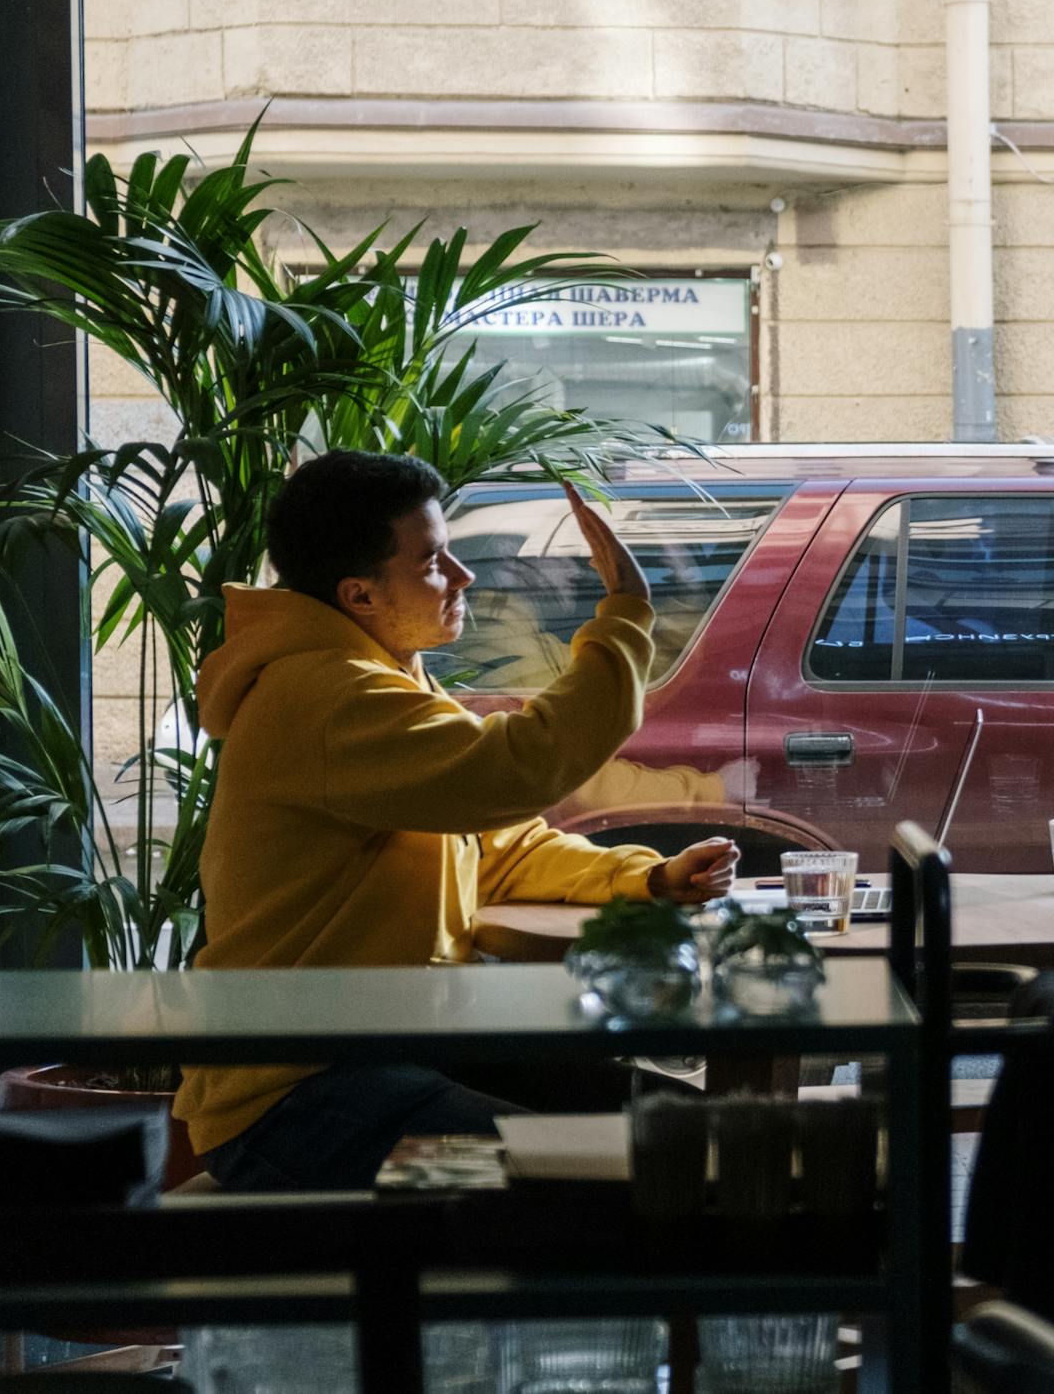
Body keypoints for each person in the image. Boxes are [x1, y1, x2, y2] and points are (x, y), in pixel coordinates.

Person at [174, 451, 742, 1191]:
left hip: (399, 1044)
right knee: (602, 1177)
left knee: (684, 1126)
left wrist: (649, 876)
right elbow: (518, 766)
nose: (464, 576)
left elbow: (494, 846)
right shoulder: (324, 695)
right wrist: (625, 613)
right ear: (360, 595)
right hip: (298, 1092)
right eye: (435, 560)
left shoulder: (379, 675)